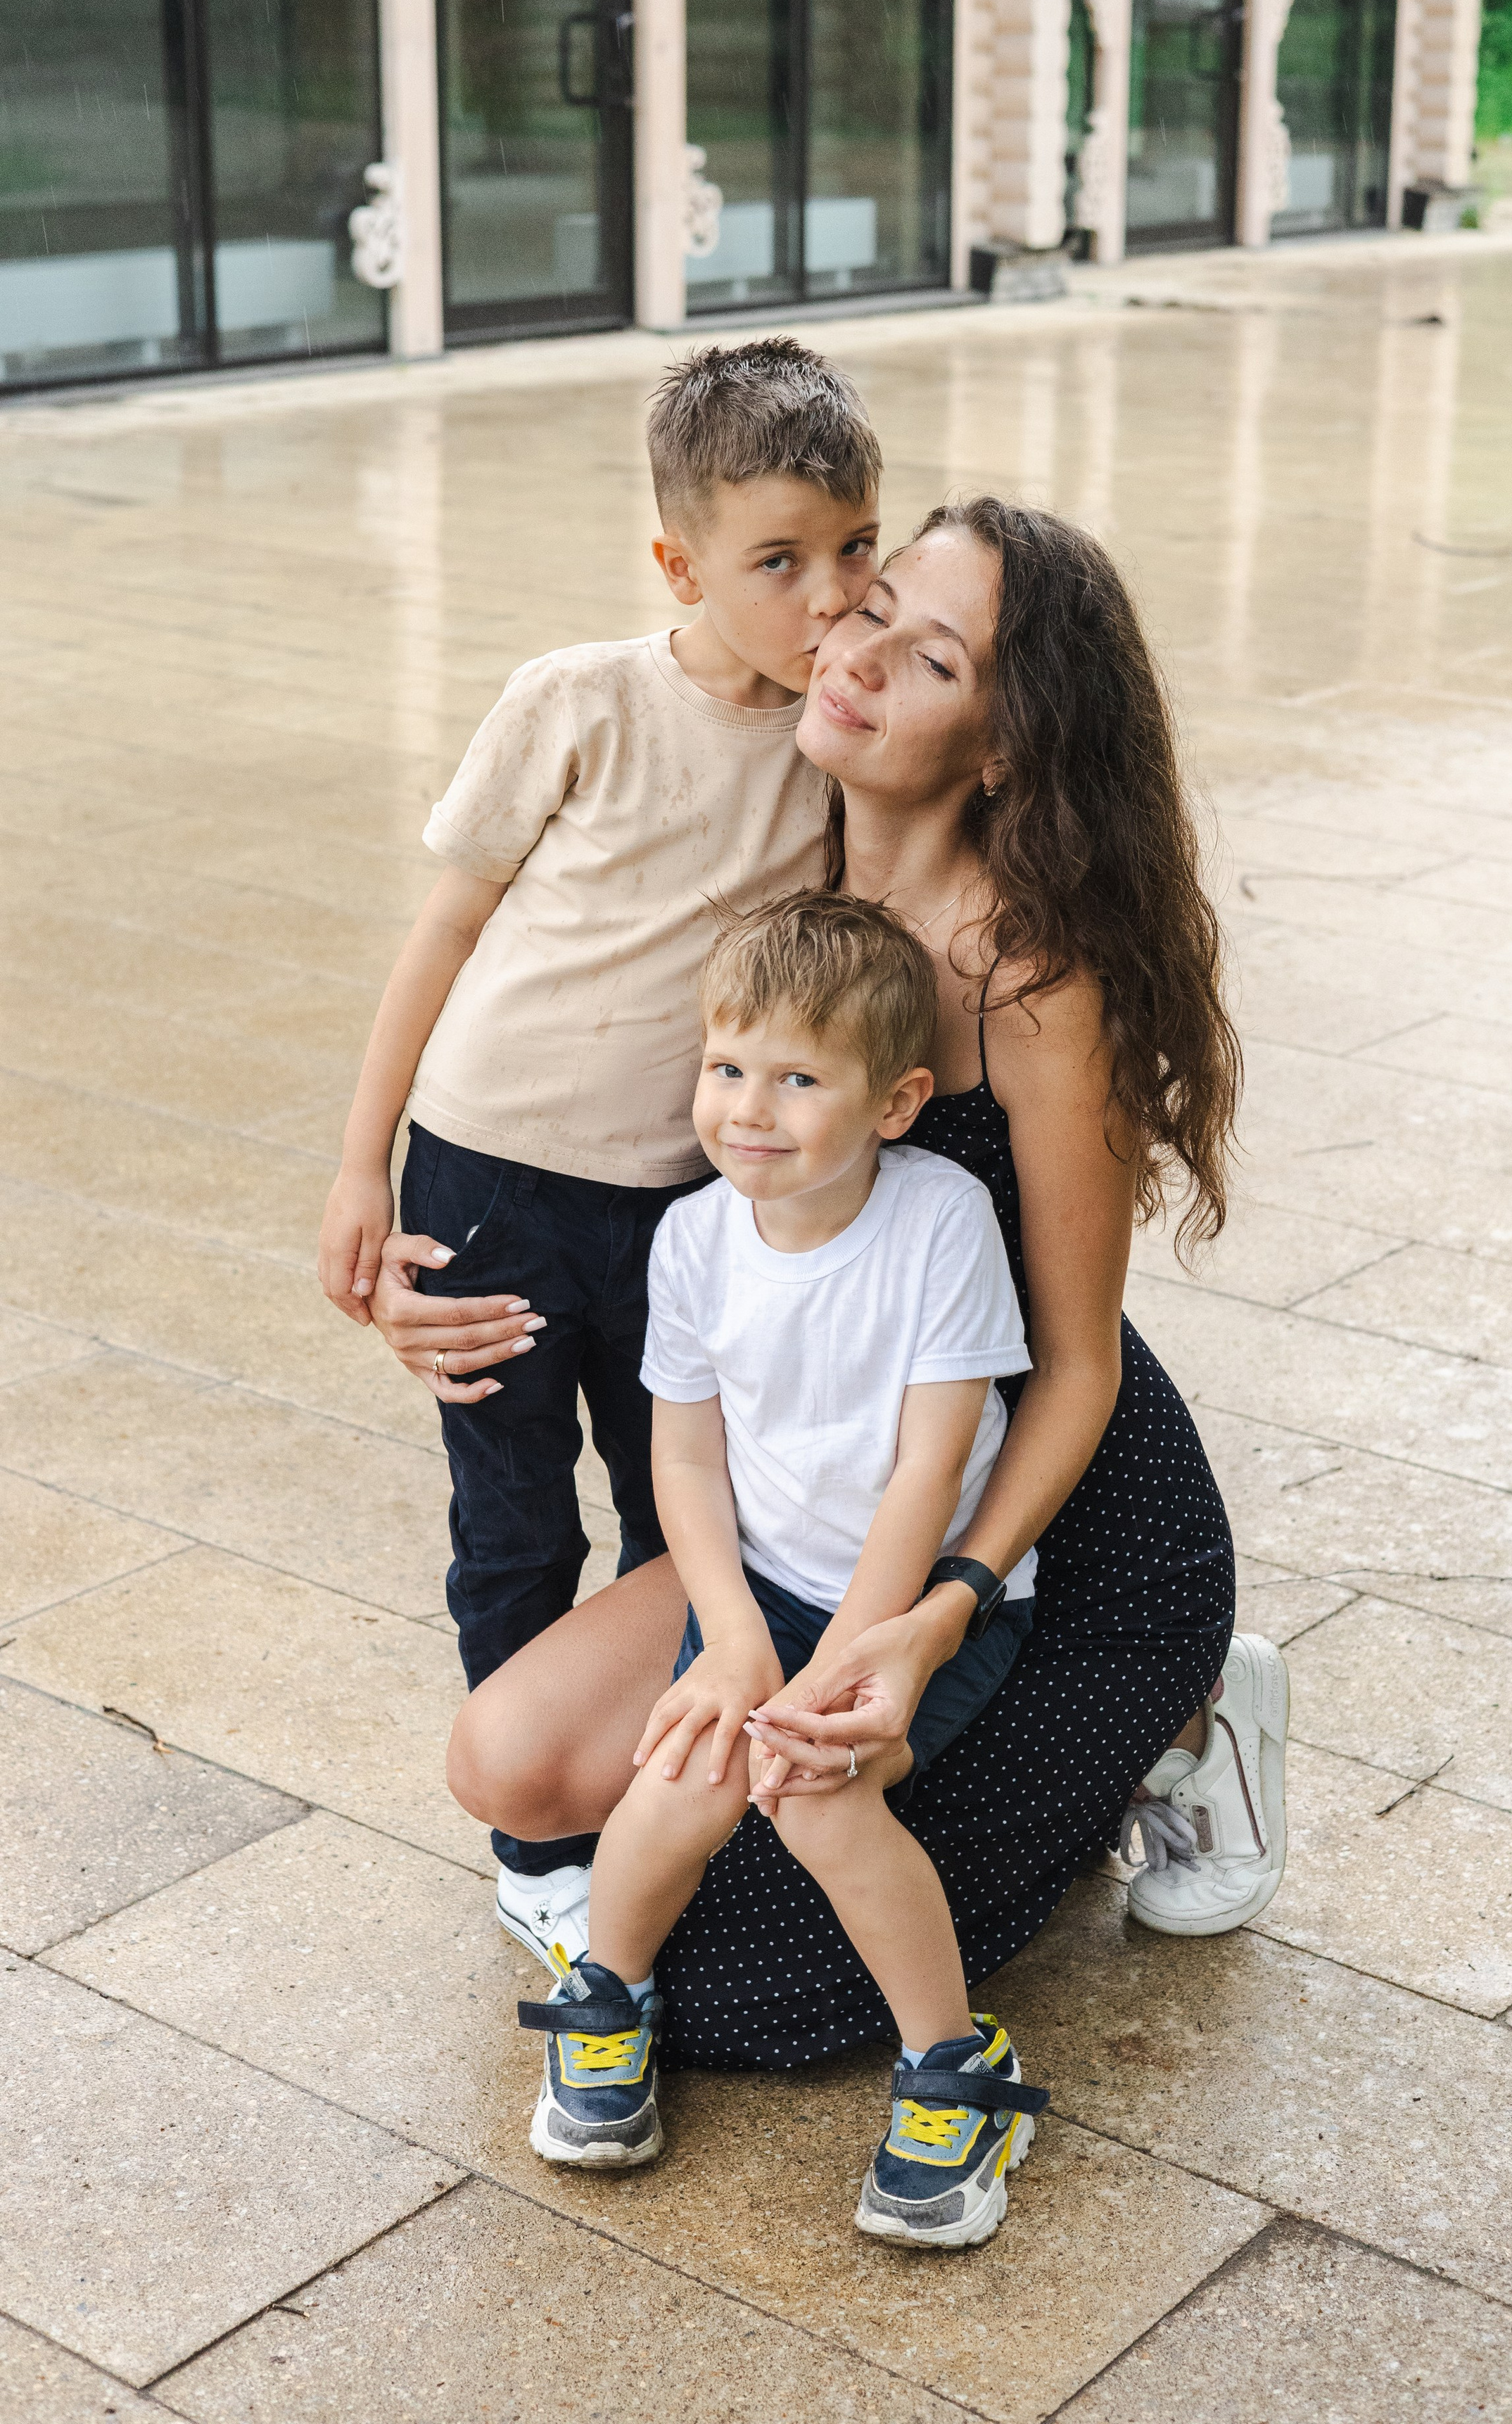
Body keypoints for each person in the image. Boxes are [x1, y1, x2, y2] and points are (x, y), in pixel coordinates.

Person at [443, 495, 1286, 2073]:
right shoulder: (769, 818)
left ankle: (1189, 1715)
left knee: (754, 2001)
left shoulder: (1031, 974)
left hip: (1043, 1529)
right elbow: (525, 1009)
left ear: (1004, 750)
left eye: (933, 658)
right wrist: (440, 1255)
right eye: (871, 607)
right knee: (512, 1764)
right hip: (816, 1480)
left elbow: (1080, 1362)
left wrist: (930, 1615)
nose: (859, 660)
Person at [316, 338, 880, 1974]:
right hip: (490, 1173)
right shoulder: (577, 699)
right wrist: (363, 1169)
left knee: (674, 1514)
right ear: (678, 561)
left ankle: (656, 1791)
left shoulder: (827, 742)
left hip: (693, 1207)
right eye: (775, 560)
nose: (823, 591)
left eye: (852, 548)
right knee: (512, 1527)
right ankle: (533, 1845)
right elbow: (440, 937)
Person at [523, 891, 1050, 2250]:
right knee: (684, 1776)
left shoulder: (940, 1222)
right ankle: (609, 1998)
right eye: (728, 1067)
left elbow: (930, 1473)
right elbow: (682, 1468)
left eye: (800, 1078)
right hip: (765, 1595)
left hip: (915, 1604)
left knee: (813, 1799)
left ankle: (956, 2068)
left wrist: (833, 1667)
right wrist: (737, 1639)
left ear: (895, 1101)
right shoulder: (694, 1240)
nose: (750, 1109)